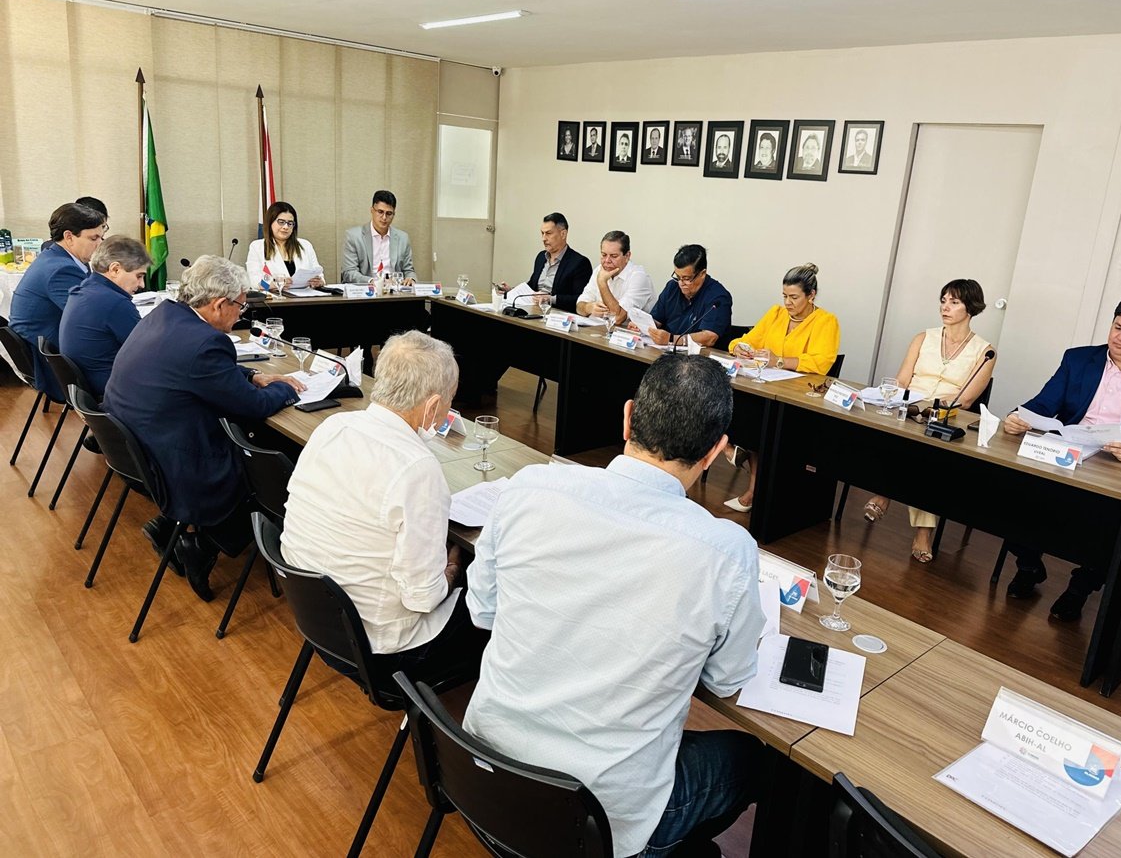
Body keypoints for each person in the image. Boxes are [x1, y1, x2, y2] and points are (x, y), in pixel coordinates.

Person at [464, 354, 767, 858]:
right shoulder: (727, 552)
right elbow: (725, 680)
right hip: (598, 823)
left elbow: (483, 611)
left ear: (627, 418)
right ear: (717, 451)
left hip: (483, 778)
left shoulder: (531, 486)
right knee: (750, 760)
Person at [281, 331, 488, 681]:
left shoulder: (333, 426)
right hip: (384, 651)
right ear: (433, 406)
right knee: (493, 588)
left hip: (316, 620)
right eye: (450, 402)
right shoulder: (417, 468)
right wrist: (454, 569)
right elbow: (423, 599)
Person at [104, 256, 304, 601]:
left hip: (136, 447)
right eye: (240, 305)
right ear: (219, 304)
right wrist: (288, 388)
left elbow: (197, 370)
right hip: (174, 460)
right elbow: (254, 407)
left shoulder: (164, 315)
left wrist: (252, 375)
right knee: (277, 466)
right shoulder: (206, 343)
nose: (241, 314)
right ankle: (202, 545)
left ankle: (170, 525)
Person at [1001, 292, 1121, 621]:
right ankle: (1029, 566)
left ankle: (1081, 586)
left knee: (1113, 524)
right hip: (1069, 453)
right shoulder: (1079, 359)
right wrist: (1017, 417)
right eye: (1117, 327)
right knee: (1014, 491)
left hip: (1119, 465)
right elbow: (1043, 405)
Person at [859, 280, 995, 557]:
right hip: (909, 410)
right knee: (908, 442)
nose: (945, 307)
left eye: (954, 302)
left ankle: (887, 496)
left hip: (947, 417)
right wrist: (899, 399)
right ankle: (921, 528)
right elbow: (902, 380)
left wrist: (933, 409)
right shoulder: (923, 338)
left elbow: (966, 399)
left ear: (971, 307)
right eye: (943, 300)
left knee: (928, 453)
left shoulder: (985, 351)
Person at [723, 264, 841, 512]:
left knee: (758, 421)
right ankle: (734, 449)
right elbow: (747, 340)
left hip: (800, 396)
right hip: (767, 388)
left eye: (794, 297)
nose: (788, 302)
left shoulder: (826, 321)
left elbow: (821, 363)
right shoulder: (776, 314)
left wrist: (779, 360)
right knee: (734, 404)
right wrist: (739, 347)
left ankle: (753, 486)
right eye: (785, 296)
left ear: (811, 295)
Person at [9, 202, 107, 401]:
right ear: (69, 237)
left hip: (46, 350)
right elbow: (91, 319)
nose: (100, 244)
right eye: (93, 238)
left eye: (101, 237)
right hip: (53, 366)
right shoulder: (61, 269)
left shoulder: (54, 256)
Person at [59, 235, 148, 397]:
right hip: (112, 389)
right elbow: (148, 351)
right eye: (139, 276)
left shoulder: (85, 288)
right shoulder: (115, 303)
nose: (142, 284)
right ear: (115, 269)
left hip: (87, 385)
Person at [634, 244, 732, 348]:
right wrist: (642, 325)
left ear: (702, 273)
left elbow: (709, 337)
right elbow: (656, 320)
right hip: (666, 351)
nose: (681, 283)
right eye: (678, 277)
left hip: (700, 356)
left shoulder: (718, 297)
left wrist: (672, 339)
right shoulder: (672, 287)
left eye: (686, 278)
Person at [495, 212, 591, 314]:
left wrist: (550, 299)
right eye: (542, 233)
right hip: (533, 311)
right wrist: (512, 291)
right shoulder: (541, 257)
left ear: (563, 234)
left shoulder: (579, 263)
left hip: (557, 315)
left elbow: (582, 300)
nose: (544, 238)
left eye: (548, 233)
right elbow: (531, 287)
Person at [574, 230, 656, 325]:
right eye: (604, 255)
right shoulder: (599, 270)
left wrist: (602, 283)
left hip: (627, 332)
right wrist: (588, 307)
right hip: (599, 328)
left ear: (627, 256)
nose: (607, 261)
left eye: (613, 256)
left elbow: (617, 318)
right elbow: (579, 306)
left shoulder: (639, 277)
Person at [245, 201, 325, 290]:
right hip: (276, 298)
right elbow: (255, 282)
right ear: (270, 222)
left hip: (305, 296)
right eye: (281, 222)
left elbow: (319, 274)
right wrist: (274, 284)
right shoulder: (257, 247)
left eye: (290, 223)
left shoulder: (305, 245)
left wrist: (319, 281)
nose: (286, 227)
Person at [342, 190, 415, 285]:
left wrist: (411, 279)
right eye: (380, 212)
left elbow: (408, 270)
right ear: (372, 210)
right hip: (366, 290)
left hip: (394, 290)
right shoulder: (353, 236)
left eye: (389, 213)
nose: (384, 217)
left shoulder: (402, 238)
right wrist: (373, 281)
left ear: (394, 214)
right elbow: (349, 272)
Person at [39, 196, 108, 252]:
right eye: (94, 238)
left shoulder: (106, 247)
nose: (101, 232)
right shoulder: (51, 248)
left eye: (104, 227)